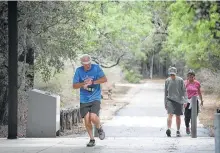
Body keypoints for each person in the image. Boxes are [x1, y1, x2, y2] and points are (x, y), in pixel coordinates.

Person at [72, 54, 107, 147]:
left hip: (95, 97)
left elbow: (104, 79)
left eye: (89, 63)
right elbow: (74, 85)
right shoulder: (79, 71)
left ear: (91, 61)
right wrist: (83, 84)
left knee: (93, 117)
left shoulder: (96, 68)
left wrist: (93, 82)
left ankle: (99, 128)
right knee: (87, 120)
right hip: (84, 99)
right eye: (86, 64)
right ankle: (92, 139)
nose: (88, 65)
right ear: (82, 64)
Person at [164, 66, 188, 137]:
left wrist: (185, 101)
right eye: (171, 74)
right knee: (170, 114)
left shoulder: (180, 80)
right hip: (170, 100)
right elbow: (165, 93)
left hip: (178, 101)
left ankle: (178, 130)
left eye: (173, 74)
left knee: (178, 116)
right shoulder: (167, 81)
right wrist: (165, 102)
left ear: (175, 73)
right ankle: (168, 129)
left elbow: (184, 91)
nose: (172, 76)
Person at [184, 69, 204, 135]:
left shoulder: (197, 83)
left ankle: (193, 128)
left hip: (195, 101)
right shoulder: (185, 83)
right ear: (187, 76)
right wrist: (183, 101)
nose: (191, 77)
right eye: (189, 76)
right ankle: (187, 127)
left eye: (192, 76)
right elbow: (183, 92)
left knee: (194, 116)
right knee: (187, 116)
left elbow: (199, 92)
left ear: (194, 76)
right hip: (187, 101)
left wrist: (201, 100)